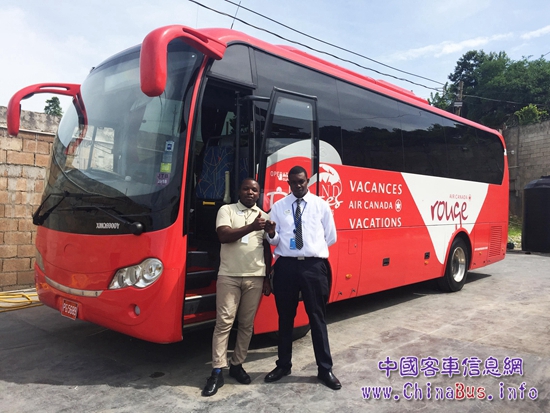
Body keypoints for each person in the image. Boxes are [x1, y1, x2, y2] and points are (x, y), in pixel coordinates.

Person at [263, 165, 341, 390]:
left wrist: (310, 249)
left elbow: (330, 236)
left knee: (317, 317)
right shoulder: (279, 207)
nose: (298, 185)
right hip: (286, 266)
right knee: (285, 318)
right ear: (288, 183)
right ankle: (283, 365)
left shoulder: (320, 205)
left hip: (313, 267)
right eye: (293, 182)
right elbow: (274, 239)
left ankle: (325, 369)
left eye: (301, 181)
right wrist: (271, 234)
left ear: (307, 182)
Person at [202, 178, 272, 397]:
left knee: (246, 325)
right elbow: (223, 236)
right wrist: (251, 227)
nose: (250, 192)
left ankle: (237, 364)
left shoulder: (264, 216)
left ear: (259, 194)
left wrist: (267, 277)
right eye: (246, 189)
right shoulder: (227, 210)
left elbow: (267, 249)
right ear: (239, 191)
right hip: (229, 276)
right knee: (224, 323)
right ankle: (217, 370)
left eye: (254, 190)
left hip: (255, 277)